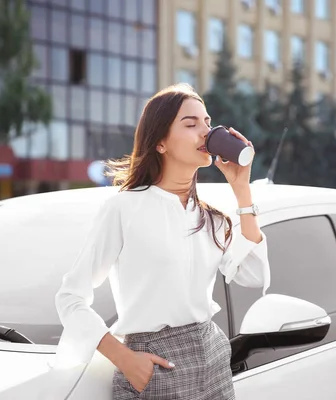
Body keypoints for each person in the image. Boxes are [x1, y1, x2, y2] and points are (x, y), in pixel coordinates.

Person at [54, 83, 271, 399]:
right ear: (159, 143)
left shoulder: (211, 218)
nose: (206, 133)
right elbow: (70, 297)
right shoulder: (124, 207)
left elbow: (255, 277)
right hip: (154, 362)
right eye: (191, 123)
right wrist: (123, 357)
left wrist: (242, 190)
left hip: (212, 356)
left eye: (208, 123)